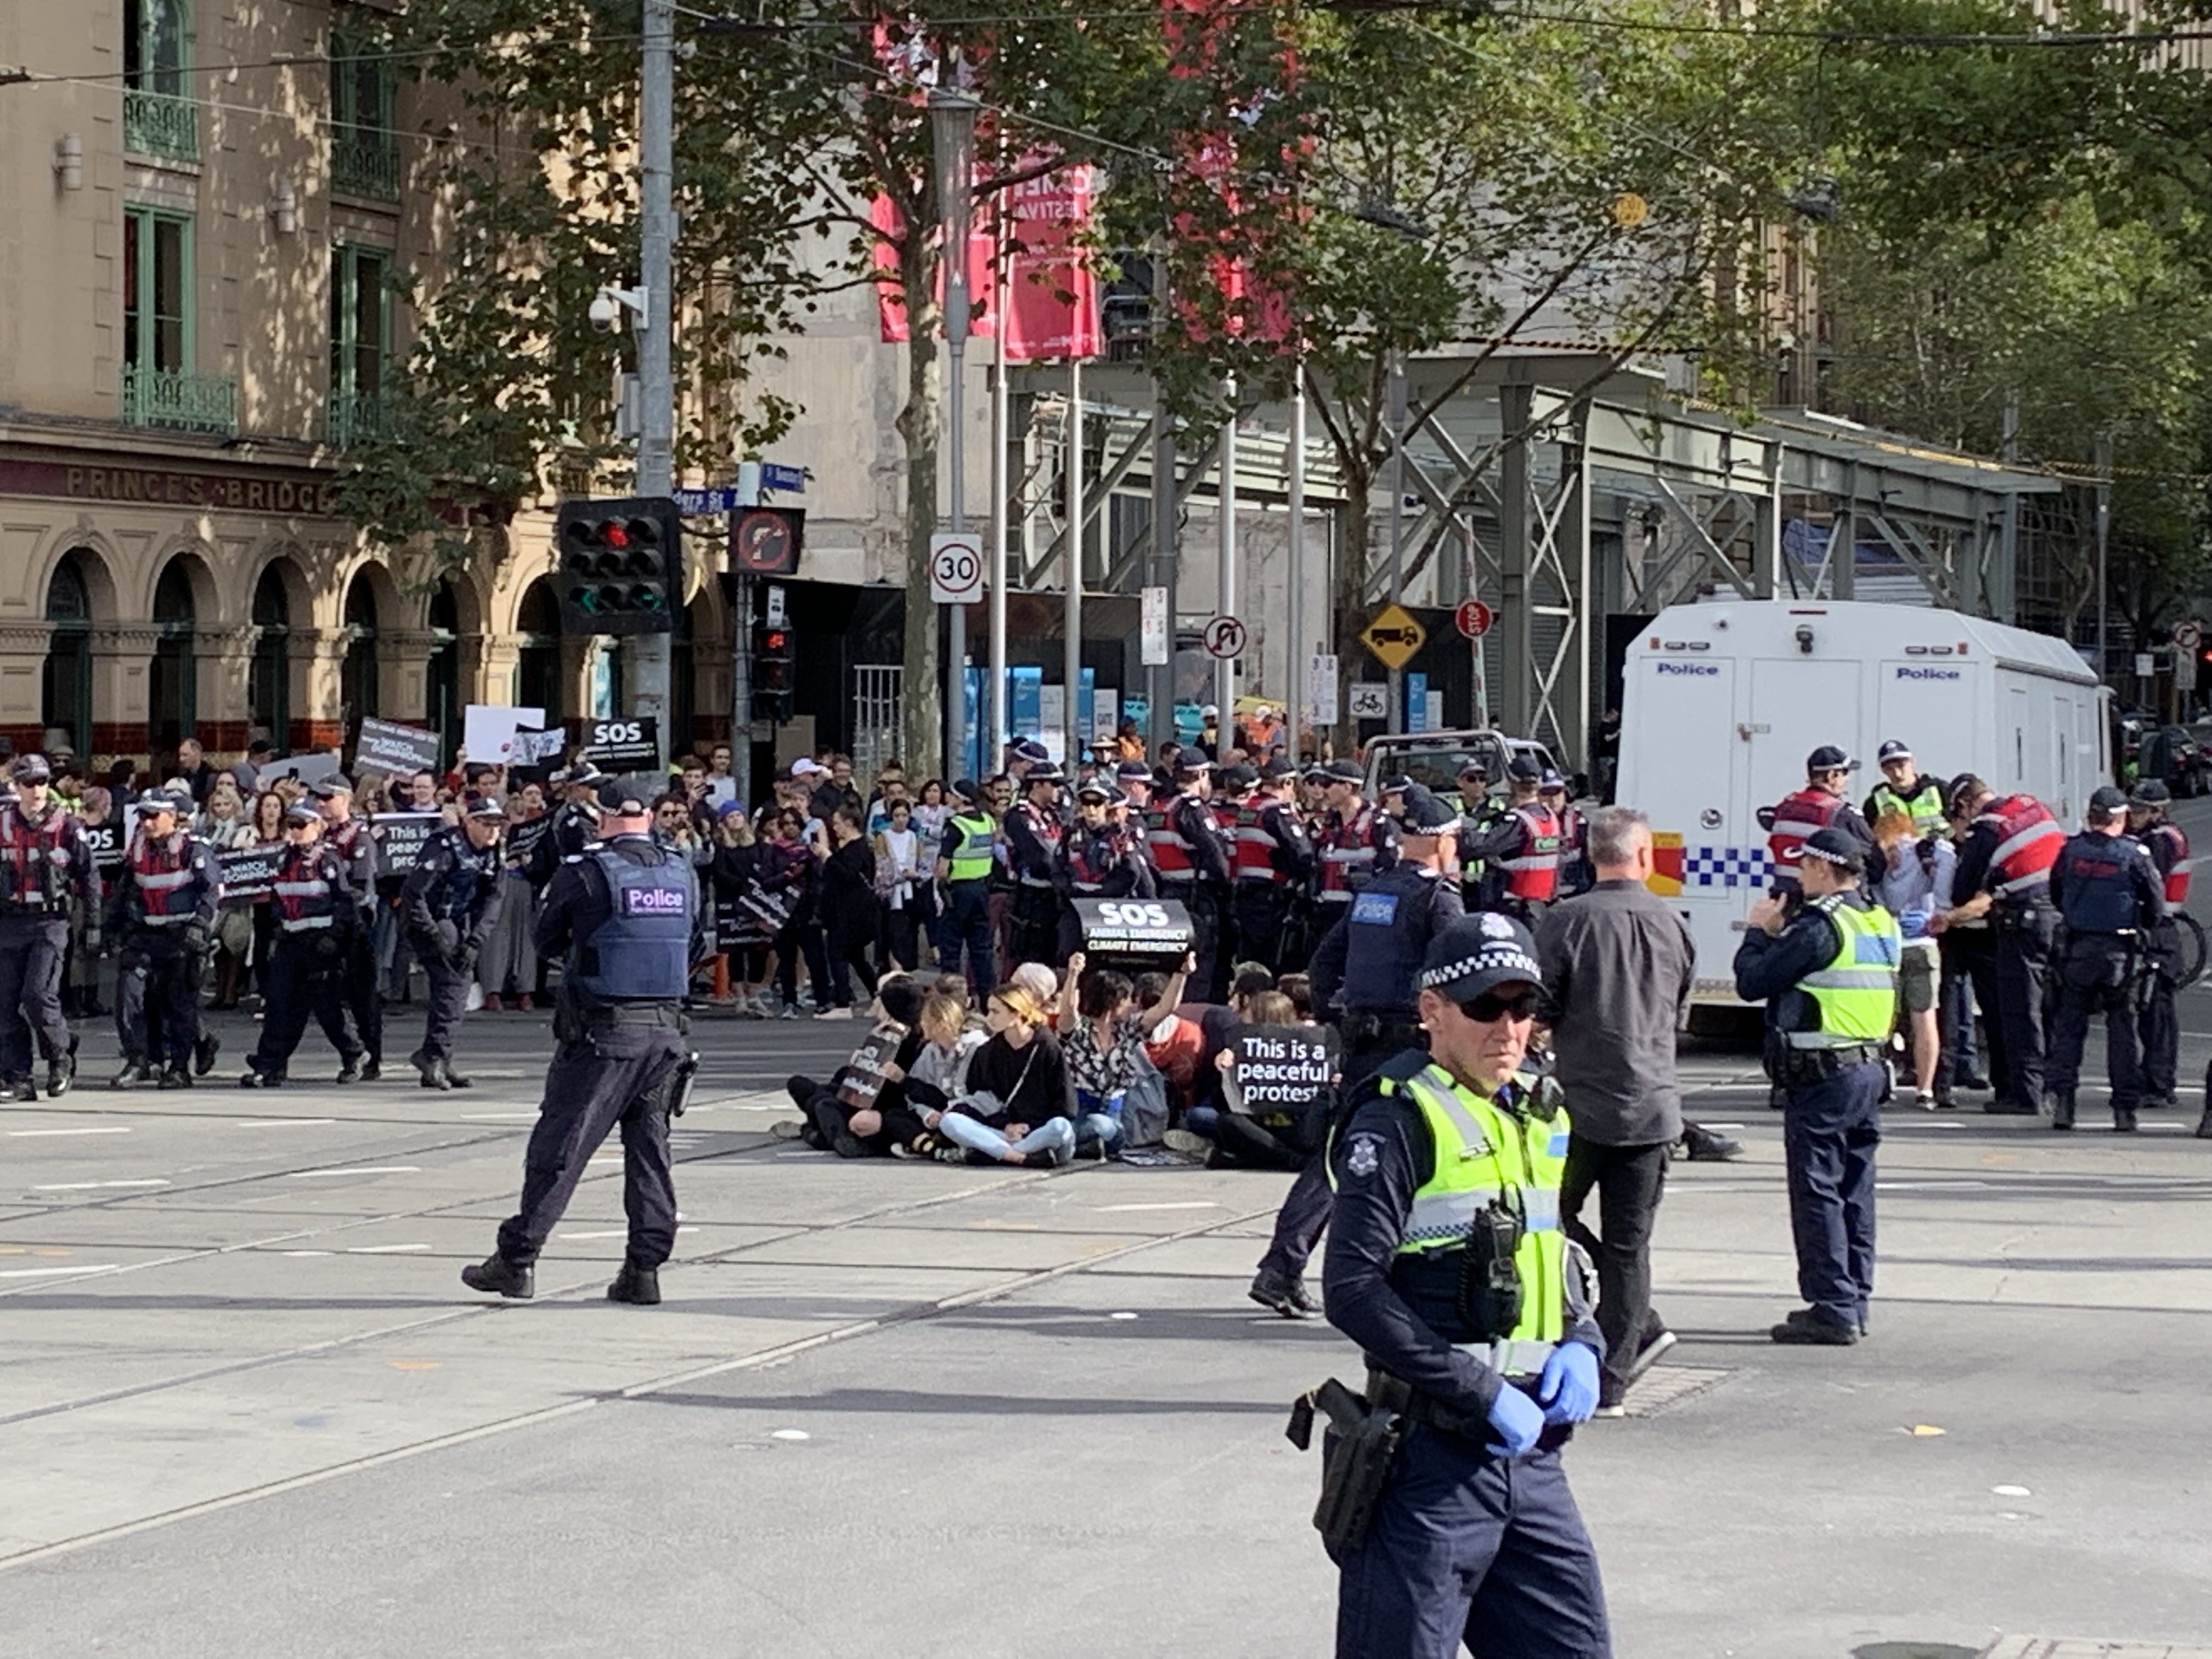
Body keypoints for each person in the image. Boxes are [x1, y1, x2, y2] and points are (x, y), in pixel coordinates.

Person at [1318, 912, 1609, 1659]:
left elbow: (1554, 1253)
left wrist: (1582, 1338)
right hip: (1429, 1460)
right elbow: (1352, 1287)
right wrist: (1481, 1393)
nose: (1509, 1029)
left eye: (1523, 1009)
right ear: (1432, 1012)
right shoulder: (1397, 1118)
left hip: (1532, 1456)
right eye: (1486, 1007)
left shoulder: (1538, 1112)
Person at [462, 778, 703, 1305]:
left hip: (604, 1033)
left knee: (561, 1147)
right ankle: (643, 1269)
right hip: (667, 1034)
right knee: (650, 1153)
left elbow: (546, 938)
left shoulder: (589, 871)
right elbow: (697, 942)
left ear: (608, 817)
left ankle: (517, 1259)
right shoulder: (681, 871)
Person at [1267, 786, 1466, 1322]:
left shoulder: (1376, 892)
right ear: (1439, 843)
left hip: (1361, 1040)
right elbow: (1459, 972)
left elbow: (1325, 962)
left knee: (1339, 1154)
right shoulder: (1437, 898)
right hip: (1412, 1044)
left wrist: (1339, 1015)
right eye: (1455, 840)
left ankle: (1281, 1265)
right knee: (1415, 1157)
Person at [1536, 806, 1694, 1413]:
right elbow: (1675, 1012)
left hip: (1578, 1106)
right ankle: (1618, 1369)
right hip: (1652, 1105)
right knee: (1632, 1245)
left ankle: (1617, 1324)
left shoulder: (1567, 921)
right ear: (1645, 856)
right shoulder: (1672, 925)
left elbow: (1541, 1007)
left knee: (1547, 1218)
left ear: (1589, 855)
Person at [1734, 827, 1900, 1345]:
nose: (1800, 875)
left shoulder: (1820, 926)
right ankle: (1855, 1298)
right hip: (1869, 1070)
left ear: (1826, 870)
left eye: (1805, 866)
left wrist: (1760, 931)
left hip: (1825, 1075)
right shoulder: (1879, 921)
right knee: (1855, 1189)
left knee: (1817, 1190)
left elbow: (1753, 982)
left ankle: (1832, 1305)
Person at [2044, 785, 2166, 1132]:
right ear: (2119, 817)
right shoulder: (2135, 854)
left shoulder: (2071, 851)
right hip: (2120, 954)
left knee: (2069, 1030)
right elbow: (2156, 909)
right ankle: (2124, 1110)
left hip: (2077, 950)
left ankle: (2064, 1105)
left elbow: (2056, 894)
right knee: (2122, 1032)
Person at [1941, 776, 2062, 1116]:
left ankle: (2025, 1094)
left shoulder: (1989, 825)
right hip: (2055, 918)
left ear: (1965, 805)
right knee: (2050, 1007)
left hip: (2021, 924)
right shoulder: (2033, 807)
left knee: (2021, 1009)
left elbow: (1962, 889)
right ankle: (2055, 1086)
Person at [239, 803, 369, 1087]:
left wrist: (334, 938)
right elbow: (278, 899)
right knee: (280, 1004)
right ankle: (270, 1063)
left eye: (301, 826)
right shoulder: (284, 859)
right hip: (291, 942)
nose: (295, 832)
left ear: (317, 826)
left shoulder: (328, 859)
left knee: (327, 1007)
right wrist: (278, 927)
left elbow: (344, 902)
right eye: (292, 826)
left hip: (321, 945)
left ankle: (354, 1053)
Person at [106, 789, 223, 1089]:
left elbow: (211, 891)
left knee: (178, 1005)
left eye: (152, 816)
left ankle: (179, 1068)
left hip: (182, 937)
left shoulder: (193, 849)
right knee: (128, 998)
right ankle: (138, 1061)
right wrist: (109, 928)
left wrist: (199, 926)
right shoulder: (137, 849)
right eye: (142, 816)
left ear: (172, 817)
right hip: (145, 934)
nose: (145, 822)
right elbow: (125, 891)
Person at [0, 754, 94, 1100]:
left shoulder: (66, 825)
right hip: (9, 919)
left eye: (43, 782)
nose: (38, 789)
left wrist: (95, 926)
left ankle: (60, 1056)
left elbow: (89, 875)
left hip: (49, 921)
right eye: (30, 783)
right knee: (5, 1004)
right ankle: (19, 1076)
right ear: (16, 786)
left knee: (38, 994)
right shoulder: (2, 823)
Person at [400, 797, 507, 1090]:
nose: (492, 831)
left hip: (459, 921)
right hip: (430, 919)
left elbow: (493, 900)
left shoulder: (494, 853)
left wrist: (476, 940)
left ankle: (438, 1057)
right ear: (469, 822)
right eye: (485, 824)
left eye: (496, 824)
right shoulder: (444, 848)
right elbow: (414, 894)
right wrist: (434, 935)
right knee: (454, 983)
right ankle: (434, 1056)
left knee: (456, 986)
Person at [1058, 950, 1190, 1159]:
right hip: (1081, 1110)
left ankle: (1078, 1145)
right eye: (1128, 999)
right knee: (1072, 1127)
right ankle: (1080, 1144)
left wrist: (1180, 974)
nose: (1133, 1005)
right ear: (1114, 1001)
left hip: (1115, 1117)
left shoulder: (1128, 1030)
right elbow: (1066, 1013)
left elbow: (1165, 1008)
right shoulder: (1080, 1030)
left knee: (1102, 1126)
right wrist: (1073, 974)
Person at [934, 983, 1076, 1167]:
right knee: (951, 1122)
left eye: (996, 1012)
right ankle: (1020, 1157)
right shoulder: (987, 1052)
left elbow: (1066, 1106)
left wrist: (1030, 1129)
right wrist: (1006, 1126)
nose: (989, 1018)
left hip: (1042, 1134)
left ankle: (995, 1154)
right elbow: (980, 1100)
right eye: (989, 1011)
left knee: (1060, 1127)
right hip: (1003, 1133)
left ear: (1016, 1013)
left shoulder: (1047, 1048)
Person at [1870, 808, 1955, 1108]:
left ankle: (1882, 1084)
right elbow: (1948, 855)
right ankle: (1926, 1090)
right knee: (1925, 1020)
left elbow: (1873, 899)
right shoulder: (1926, 853)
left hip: (1887, 947)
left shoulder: (1877, 859)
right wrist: (1942, 907)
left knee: (1882, 1022)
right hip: (1923, 942)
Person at [1149, 758, 1236, 1003]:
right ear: (1200, 775)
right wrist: (1226, 884)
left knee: (1170, 964)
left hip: (1166, 896)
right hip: (1195, 897)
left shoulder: (1160, 807)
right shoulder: (1192, 808)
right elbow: (1214, 853)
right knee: (1199, 963)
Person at [2126, 780, 2189, 1110]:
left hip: (2158, 933)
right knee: (2151, 1010)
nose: (2132, 816)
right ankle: (2154, 1078)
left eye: (2139, 811)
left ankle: (2159, 1082)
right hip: (2159, 931)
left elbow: (2147, 883)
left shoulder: (2160, 842)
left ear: (2157, 811)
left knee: (2157, 1012)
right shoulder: (2158, 837)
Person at [317, 778, 383, 1080]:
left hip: (357, 926)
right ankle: (353, 1053)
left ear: (345, 800)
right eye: (318, 797)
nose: (321, 803)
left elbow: (360, 888)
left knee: (362, 995)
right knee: (331, 996)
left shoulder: (359, 837)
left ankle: (371, 1057)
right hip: (327, 925)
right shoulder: (320, 836)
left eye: (328, 797)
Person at [1053, 777, 1155, 959]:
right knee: (1067, 962)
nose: (1091, 809)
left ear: (1107, 805)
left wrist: (1101, 893)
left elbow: (1131, 875)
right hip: (1075, 909)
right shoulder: (1070, 834)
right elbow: (1058, 869)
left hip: (1110, 914)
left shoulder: (1120, 837)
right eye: (1086, 803)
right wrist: (1069, 891)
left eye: (1097, 803)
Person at [1761, 745, 1876, 899]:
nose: (1847, 779)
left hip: (1782, 901)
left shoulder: (1785, 808)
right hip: (1823, 907)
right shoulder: (1841, 813)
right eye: (1845, 773)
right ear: (1832, 776)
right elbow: (1875, 863)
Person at [1233, 758, 1314, 973]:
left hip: (1246, 895)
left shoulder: (1249, 809)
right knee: (1274, 960)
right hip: (1272, 898)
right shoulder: (1277, 813)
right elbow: (1303, 856)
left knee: (1251, 961)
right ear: (1287, 783)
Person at [1464, 756, 1564, 924]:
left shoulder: (1518, 822)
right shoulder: (1550, 818)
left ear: (1511, 783)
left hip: (1517, 912)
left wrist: (1463, 828)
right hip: (1543, 907)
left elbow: (1478, 847)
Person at [1312, 761, 1398, 928]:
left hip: (1364, 913)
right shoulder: (1328, 823)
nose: (1323, 790)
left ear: (1347, 787)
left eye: (1328, 784)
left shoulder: (1378, 822)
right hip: (1327, 912)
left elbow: (1391, 865)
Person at [816, 804, 881, 1018]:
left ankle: (843, 1004)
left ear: (849, 823)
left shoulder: (858, 848)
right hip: (847, 911)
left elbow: (848, 876)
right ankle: (878, 996)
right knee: (856, 957)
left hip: (852, 913)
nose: (835, 828)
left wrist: (828, 857)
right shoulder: (852, 847)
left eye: (837, 823)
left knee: (837, 952)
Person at [935, 780, 998, 998]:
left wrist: (939, 883)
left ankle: (951, 1000)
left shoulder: (955, 825)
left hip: (958, 892)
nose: (947, 799)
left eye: (951, 795)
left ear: (961, 799)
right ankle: (988, 999)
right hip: (981, 889)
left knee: (951, 950)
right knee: (981, 950)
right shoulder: (988, 821)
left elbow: (943, 868)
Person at [1002, 764, 1066, 967]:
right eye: (1054, 784)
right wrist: (1063, 875)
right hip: (1032, 898)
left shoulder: (1052, 815)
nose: (1060, 789)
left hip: (1054, 896)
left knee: (1052, 957)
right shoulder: (1019, 816)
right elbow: (1039, 859)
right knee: (1031, 959)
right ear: (1037, 785)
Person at [873, 797, 931, 972]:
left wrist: (917, 875)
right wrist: (894, 877)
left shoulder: (914, 837)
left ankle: (909, 966)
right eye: (897, 815)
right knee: (891, 933)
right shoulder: (883, 837)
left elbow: (924, 865)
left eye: (904, 815)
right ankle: (890, 966)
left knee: (910, 933)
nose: (901, 819)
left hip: (910, 891)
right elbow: (880, 865)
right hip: (890, 892)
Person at [1863, 740, 1947, 838]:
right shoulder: (1875, 802)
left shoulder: (1939, 790)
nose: (1897, 774)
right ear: (1883, 770)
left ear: (1912, 762)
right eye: (1889, 769)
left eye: (1901, 766)